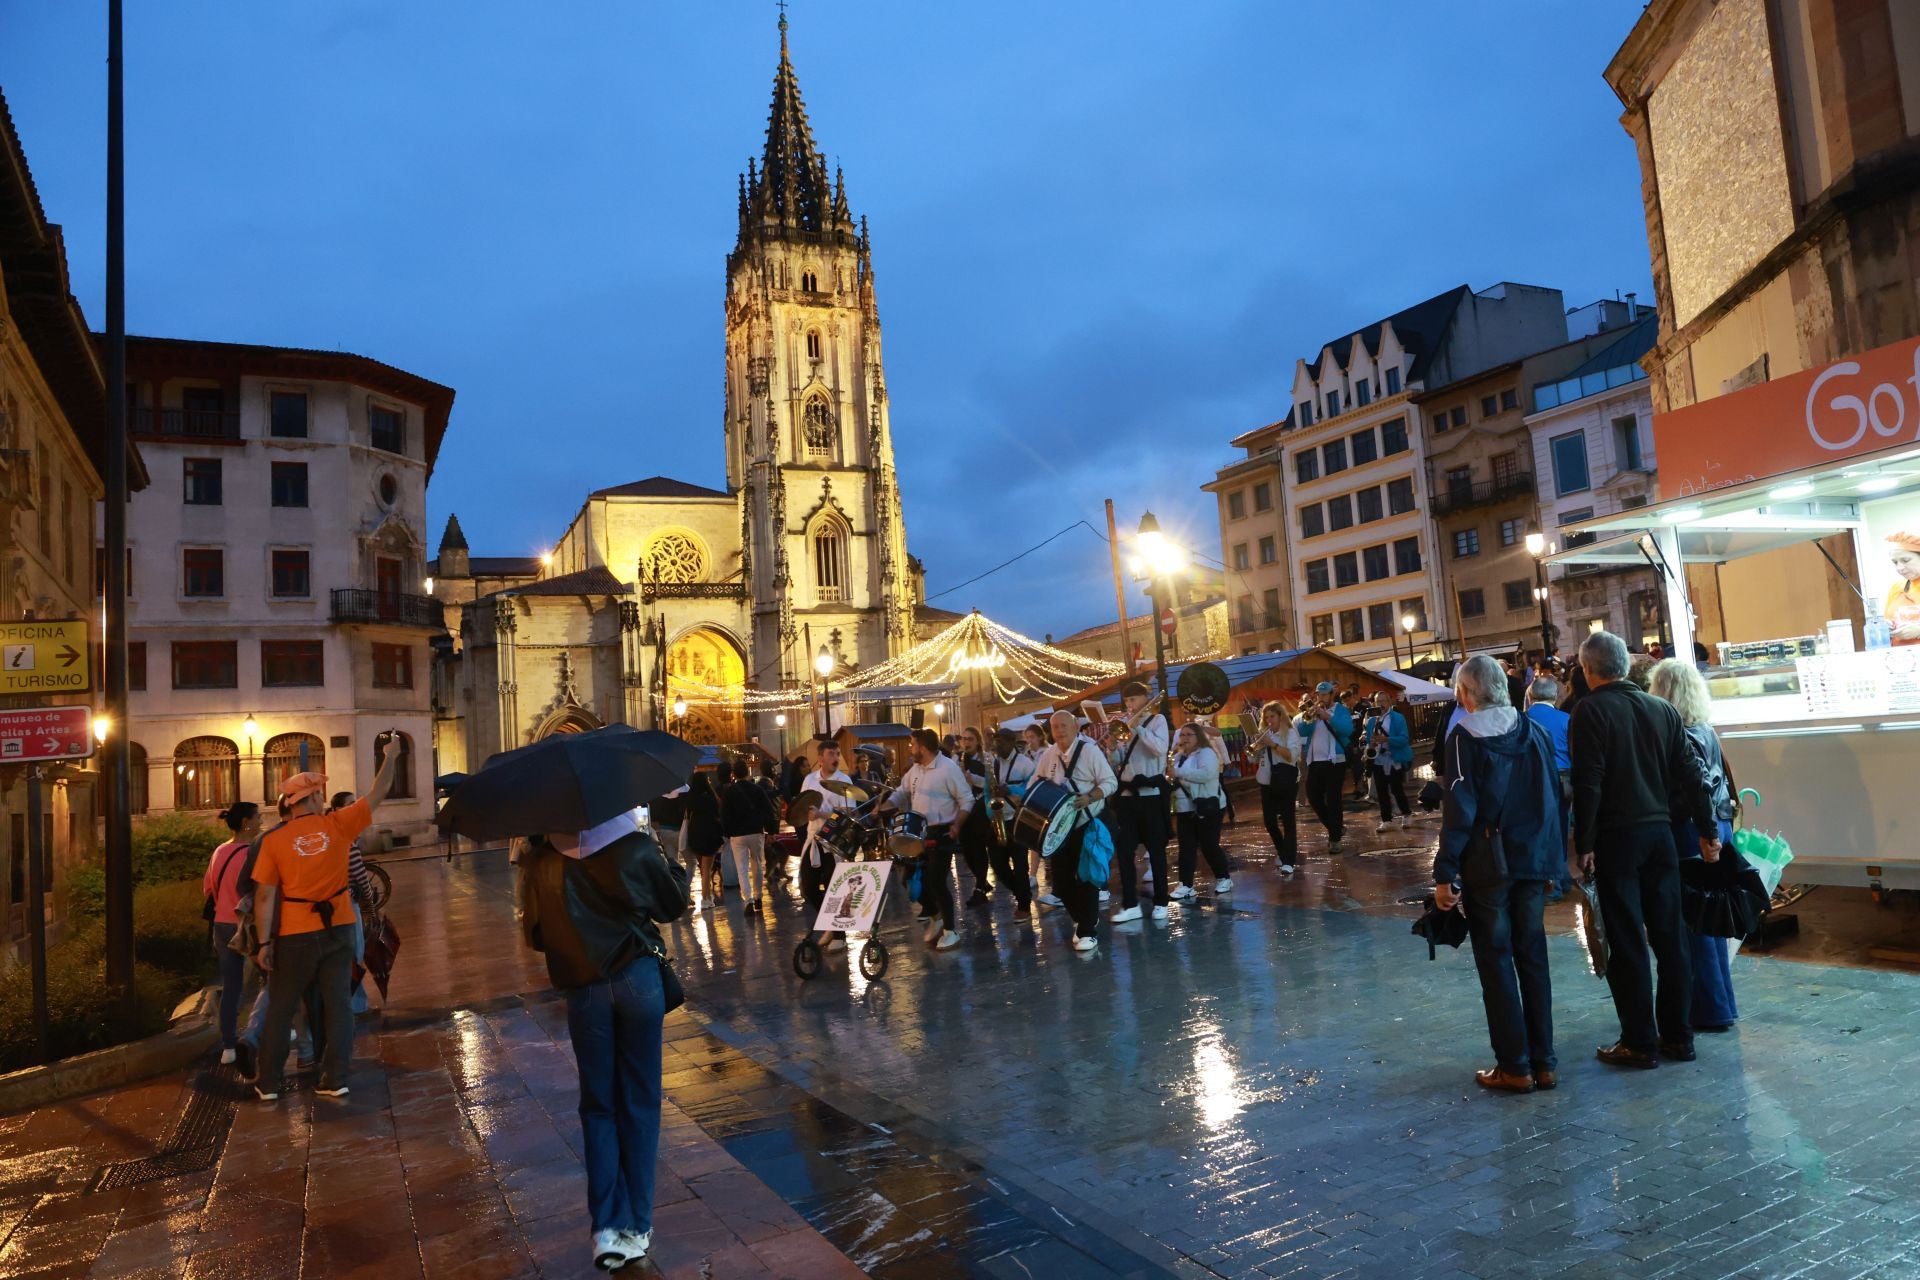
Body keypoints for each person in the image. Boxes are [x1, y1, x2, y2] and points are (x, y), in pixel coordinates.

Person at [517, 806, 691, 1271]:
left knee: (598, 1105)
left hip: (585, 990)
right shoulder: (633, 846)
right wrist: (666, 856)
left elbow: (537, 935)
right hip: (638, 982)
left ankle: (607, 1229)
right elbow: (672, 904)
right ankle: (637, 1225)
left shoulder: (542, 859)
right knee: (640, 1101)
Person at [1569, 630, 1720, 1071]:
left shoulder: (1590, 711)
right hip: (1660, 835)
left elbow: (1589, 781)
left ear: (1588, 669)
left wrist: (1585, 842)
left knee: (1627, 938)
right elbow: (1691, 776)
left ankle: (1639, 1040)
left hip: (1617, 838)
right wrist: (1708, 829)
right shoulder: (1662, 710)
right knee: (1670, 936)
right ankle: (1678, 1036)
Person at [1433, 656, 1565, 1094]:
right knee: (1533, 956)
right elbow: (1553, 799)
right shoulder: (1534, 731)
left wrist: (1446, 871)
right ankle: (1544, 1062)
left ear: (1467, 693)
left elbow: (1460, 809)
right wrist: (1553, 863)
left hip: (1488, 863)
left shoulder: (1463, 737)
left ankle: (1514, 1065)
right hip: (1531, 860)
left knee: (1496, 960)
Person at [250, 734, 400, 1101]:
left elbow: (264, 896)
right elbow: (379, 792)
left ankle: (268, 1083)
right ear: (315, 797)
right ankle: (334, 1078)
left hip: (294, 933)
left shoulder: (273, 841)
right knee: (339, 1005)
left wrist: (264, 942)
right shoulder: (338, 825)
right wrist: (391, 755)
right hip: (339, 927)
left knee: (281, 1007)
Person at [1649, 658, 1741, 1032]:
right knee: (1711, 923)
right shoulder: (1706, 729)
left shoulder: (1676, 736)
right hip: (1718, 827)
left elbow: (1690, 789)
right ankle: (1721, 1004)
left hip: (1692, 833)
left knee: (1694, 926)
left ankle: (1708, 1010)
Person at [1031, 710, 1117, 952]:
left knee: (1087, 877)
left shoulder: (1090, 751)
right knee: (1061, 881)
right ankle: (1084, 918)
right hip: (1059, 828)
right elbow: (1035, 783)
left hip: (1086, 822)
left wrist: (1090, 797)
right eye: (1055, 727)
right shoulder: (1049, 754)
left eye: (1063, 726)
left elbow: (1111, 782)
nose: (1059, 731)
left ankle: (1088, 931)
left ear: (1076, 727)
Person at [884, 727, 974, 950]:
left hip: (942, 832)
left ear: (923, 748)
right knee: (908, 881)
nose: (910, 748)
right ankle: (935, 916)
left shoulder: (948, 768)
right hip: (918, 831)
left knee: (936, 881)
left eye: (912, 745)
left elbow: (967, 799)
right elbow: (901, 792)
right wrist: (884, 806)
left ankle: (950, 931)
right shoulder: (916, 769)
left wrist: (957, 825)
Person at [1104, 681, 1171, 924]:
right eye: (1127, 701)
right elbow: (1119, 761)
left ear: (1146, 698)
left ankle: (1161, 902)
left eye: (1133, 699)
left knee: (1156, 851)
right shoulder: (1126, 723)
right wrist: (1113, 748)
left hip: (1150, 796)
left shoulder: (1157, 721)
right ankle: (1130, 904)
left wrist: (1138, 728)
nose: (1129, 704)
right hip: (1126, 797)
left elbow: (1159, 749)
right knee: (1124, 851)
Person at [204, 802, 261, 1066]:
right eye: (258, 817)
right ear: (246, 823)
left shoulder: (219, 851)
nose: (261, 821)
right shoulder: (253, 853)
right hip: (249, 924)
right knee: (271, 978)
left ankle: (228, 1046)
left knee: (231, 985)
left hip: (222, 924)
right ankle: (265, 1030)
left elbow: (208, 889)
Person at [798, 738, 856, 951]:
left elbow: (848, 813)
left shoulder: (844, 781)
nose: (836, 758)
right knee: (808, 887)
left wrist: (822, 813)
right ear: (820, 758)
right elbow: (803, 805)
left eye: (837, 753)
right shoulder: (810, 780)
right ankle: (830, 922)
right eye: (831, 754)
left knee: (835, 887)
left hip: (833, 841)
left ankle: (840, 936)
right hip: (813, 839)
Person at [1170, 724, 1231, 898]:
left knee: (1209, 844)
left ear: (1199, 736)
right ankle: (1186, 884)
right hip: (1185, 807)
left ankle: (1224, 877)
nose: (1185, 738)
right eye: (1182, 735)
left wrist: (1178, 773)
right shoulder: (1178, 757)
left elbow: (1207, 774)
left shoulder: (1206, 753)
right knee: (1186, 846)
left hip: (1207, 804)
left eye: (1189, 734)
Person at [1298, 681, 1353, 853]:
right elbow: (1302, 732)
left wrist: (1328, 716)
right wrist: (1308, 718)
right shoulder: (1313, 710)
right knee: (1313, 797)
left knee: (1333, 799)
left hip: (1335, 760)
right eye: (1318, 694)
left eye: (1324, 694)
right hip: (1315, 760)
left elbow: (1347, 730)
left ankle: (1335, 839)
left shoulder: (1341, 710)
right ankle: (1335, 828)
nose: (1320, 697)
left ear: (1331, 695)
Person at [984, 728, 1034, 910]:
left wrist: (1010, 790)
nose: (997, 745)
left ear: (1012, 742)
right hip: (998, 819)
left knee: (1020, 866)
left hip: (1017, 819)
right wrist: (990, 813)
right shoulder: (993, 763)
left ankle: (1024, 905)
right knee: (997, 865)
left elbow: (1032, 789)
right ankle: (1021, 892)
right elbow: (987, 791)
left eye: (1002, 742)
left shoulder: (1025, 764)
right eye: (996, 742)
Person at [1250, 702, 1301, 875]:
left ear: (1280, 716)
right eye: (1266, 718)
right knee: (1269, 822)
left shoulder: (1290, 732)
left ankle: (1289, 861)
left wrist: (1272, 744)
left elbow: (1292, 756)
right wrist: (1254, 751)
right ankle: (1282, 852)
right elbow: (1255, 760)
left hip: (1286, 781)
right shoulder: (1264, 734)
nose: (1269, 720)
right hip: (1267, 781)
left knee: (1288, 821)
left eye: (1272, 716)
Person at [720, 758, 776, 915]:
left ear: (733, 774)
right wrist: (771, 831)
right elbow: (768, 810)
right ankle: (758, 897)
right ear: (747, 772)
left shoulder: (730, 792)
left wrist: (727, 833)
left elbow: (725, 815)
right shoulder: (757, 790)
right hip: (756, 832)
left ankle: (748, 901)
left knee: (742, 868)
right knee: (757, 864)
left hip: (737, 835)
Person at [955, 726, 996, 906]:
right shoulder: (957, 759)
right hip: (964, 808)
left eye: (970, 739)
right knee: (967, 849)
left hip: (981, 806)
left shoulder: (987, 758)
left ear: (978, 741)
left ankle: (979, 887)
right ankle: (982, 881)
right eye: (964, 739)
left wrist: (973, 779)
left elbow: (992, 782)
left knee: (978, 847)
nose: (966, 742)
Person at [1022, 723, 1061, 906]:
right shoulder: (1027, 755)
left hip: (1047, 797)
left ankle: (1055, 878)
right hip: (1035, 798)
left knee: (1050, 837)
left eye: (1032, 737)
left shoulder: (1048, 752)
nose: (1029, 741)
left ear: (1040, 736)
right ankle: (1032, 874)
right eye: (1027, 737)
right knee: (1035, 839)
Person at [1364, 691, 1414, 832]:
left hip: (1393, 758)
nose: (1381, 704)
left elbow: (1404, 739)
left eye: (1383, 700)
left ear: (1389, 702)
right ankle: (1386, 819)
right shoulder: (1371, 721)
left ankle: (1406, 814)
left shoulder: (1397, 718)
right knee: (1381, 791)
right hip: (1378, 758)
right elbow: (1368, 739)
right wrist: (1371, 744)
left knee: (1396, 789)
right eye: (1378, 701)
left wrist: (1387, 739)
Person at [683, 772, 726, 904]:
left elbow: (687, 813)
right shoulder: (712, 797)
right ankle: (706, 898)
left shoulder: (690, 797)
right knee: (707, 868)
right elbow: (718, 813)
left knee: (703, 867)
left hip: (695, 833)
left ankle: (706, 897)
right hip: (710, 833)